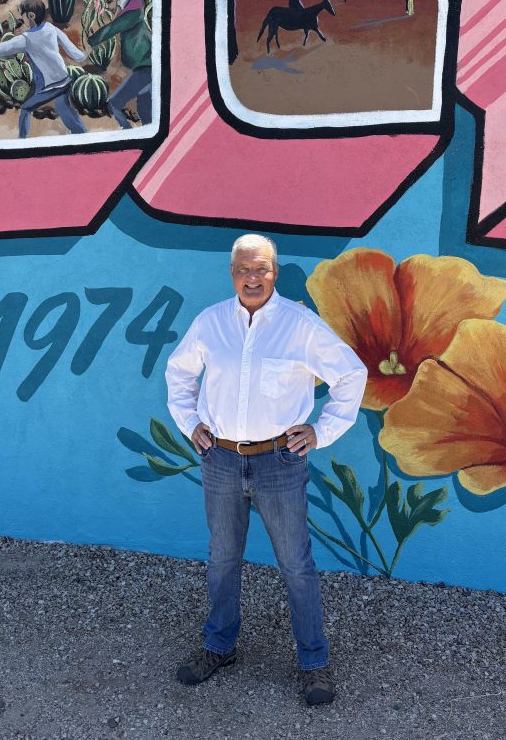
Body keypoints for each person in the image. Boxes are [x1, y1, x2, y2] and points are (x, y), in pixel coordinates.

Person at [165, 234, 367, 706]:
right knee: (222, 558)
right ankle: (218, 646)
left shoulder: (300, 325)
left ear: (275, 272)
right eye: (243, 269)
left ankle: (314, 664)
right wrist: (189, 423)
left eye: (261, 270)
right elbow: (179, 373)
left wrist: (323, 430)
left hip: (279, 461)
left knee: (296, 565)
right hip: (221, 459)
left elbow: (350, 374)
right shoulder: (211, 322)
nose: (251, 278)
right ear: (231, 272)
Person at [0, 0, 86, 138]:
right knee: (63, 107)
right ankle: (81, 133)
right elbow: (70, 47)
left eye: (23, 15)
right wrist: (82, 56)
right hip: (64, 79)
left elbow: (4, 48)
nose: (22, 19)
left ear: (30, 16)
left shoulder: (26, 39)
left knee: (26, 109)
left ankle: (22, 141)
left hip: (50, 86)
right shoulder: (51, 28)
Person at [88, 0, 153, 128]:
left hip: (146, 68)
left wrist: (91, 42)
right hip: (143, 68)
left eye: (110, 1)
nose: (108, 7)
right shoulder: (130, 13)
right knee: (144, 107)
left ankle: (129, 134)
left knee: (114, 104)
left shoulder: (134, 13)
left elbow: (112, 29)